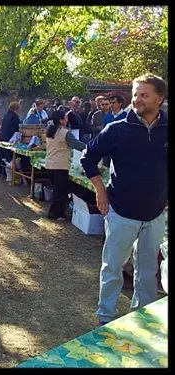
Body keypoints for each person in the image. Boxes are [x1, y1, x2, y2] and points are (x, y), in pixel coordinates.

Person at [80, 74, 168, 326]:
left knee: (147, 272)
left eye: (144, 94)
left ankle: (143, 319)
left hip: (155, 213)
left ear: (159, 98)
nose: (137, 99)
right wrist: (100, 190)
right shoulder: (117, 128)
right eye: (135, 94)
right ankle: (105, 318)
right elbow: (88, 157)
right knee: (112, 268)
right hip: (121, 212)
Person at [44, 110, 85, 220]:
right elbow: (76, 144)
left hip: (50, 164)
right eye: (65, 118)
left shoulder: (49, 131)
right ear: (61, 120)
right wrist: (90, 147)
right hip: (60, 165)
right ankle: (55, 214)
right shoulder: (65, 133)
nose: (67, 120)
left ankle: (59, 213)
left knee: (57, 190)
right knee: (60, 192)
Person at [0, 101, 21, 176]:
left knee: (4, 157)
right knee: (10, 158)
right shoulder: (15, 117)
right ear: (16, 108)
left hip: (3, 138)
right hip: (10, 140)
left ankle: (3, 172)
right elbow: (17, 129)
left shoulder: (6, 115)